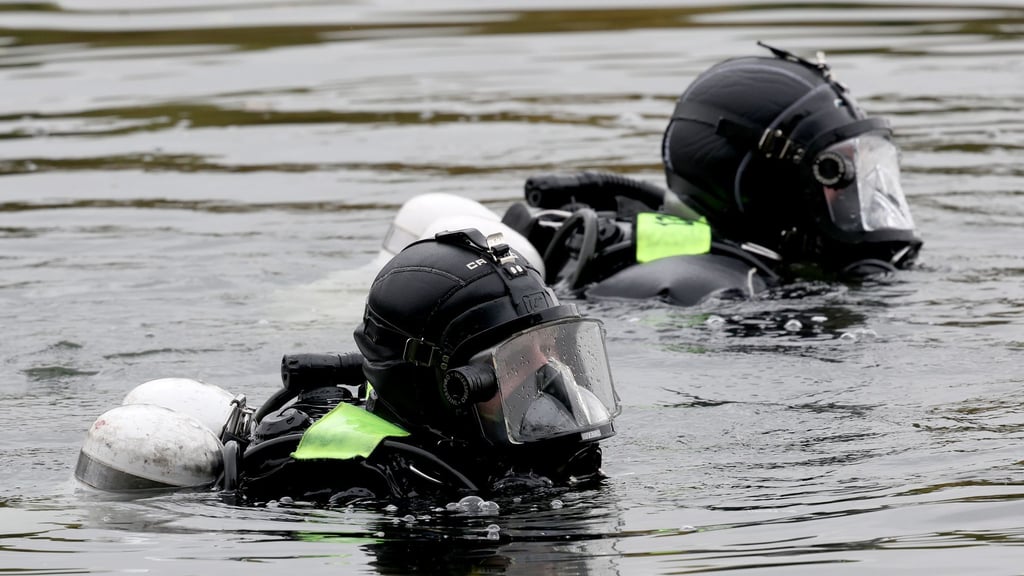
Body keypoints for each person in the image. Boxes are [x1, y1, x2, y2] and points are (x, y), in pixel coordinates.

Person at [75, 228, 620, 507]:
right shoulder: (357, 483)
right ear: (438, 387)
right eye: (516, 358)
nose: (547, 372)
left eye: (549, 347)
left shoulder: (533, 449)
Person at [500, 43, 924, 306]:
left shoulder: (744, 260)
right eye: (837, 174)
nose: (858, 198)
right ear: (768, 188)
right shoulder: (716, 290)